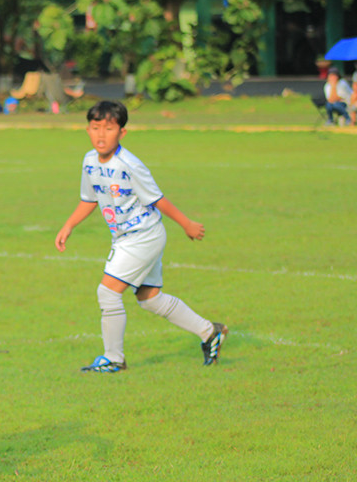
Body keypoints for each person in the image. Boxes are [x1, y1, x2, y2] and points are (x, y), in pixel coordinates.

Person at [54, 100, 228, 373]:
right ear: (87, 129)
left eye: (109, 129)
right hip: (126, 237)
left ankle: (114, 359)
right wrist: (69, 226)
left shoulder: (129, 165)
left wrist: (186, 224)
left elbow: (157, 199)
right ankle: (209, 332)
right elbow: (89, 199)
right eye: (95, 127)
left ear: (122, 133)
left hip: (143, 236)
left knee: (107, 293)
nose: (101, 134)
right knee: (149, 298)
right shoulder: (89, 161)